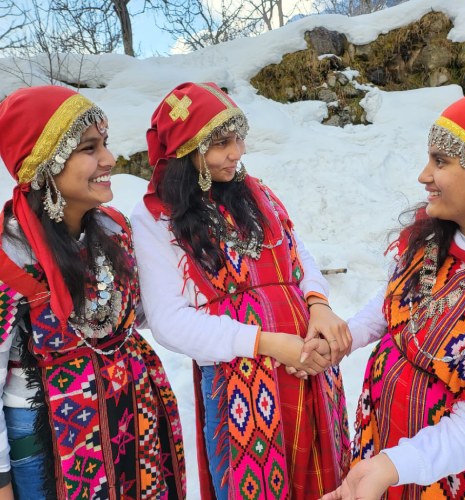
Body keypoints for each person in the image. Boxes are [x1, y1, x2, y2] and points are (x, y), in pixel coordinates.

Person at [130, 82, 351, 500]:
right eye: (221, 144)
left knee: (327, 485)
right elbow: (168, 321)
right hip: (240, 387)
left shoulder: (257, 193)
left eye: (239, 138)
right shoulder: (156, 217)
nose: (238, 152)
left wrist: (318, 305)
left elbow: (297, 253)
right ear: (187, 151)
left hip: (308, 367)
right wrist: (267, 343)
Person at [0, 85, 185, 500]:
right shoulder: (10, 257)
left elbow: (142, 313)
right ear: (44, 166)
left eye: (105, 143)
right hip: (48, 440)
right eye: (89, 148)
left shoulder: (113, 229)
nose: (109, 159)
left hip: (132, 414)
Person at [320, 90, 465, 500]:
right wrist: (347, 337)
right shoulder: (430, 236)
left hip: (448, 469)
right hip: (385, 441)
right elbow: (392, 302)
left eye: (441, 161)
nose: (423, 175)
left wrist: (392, 466)